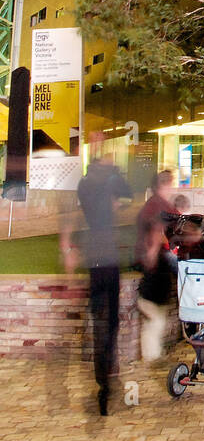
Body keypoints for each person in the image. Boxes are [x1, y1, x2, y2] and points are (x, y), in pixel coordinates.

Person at [76, 154, 133, 415]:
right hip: (105, 264)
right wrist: (113, 170)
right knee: (107, 324)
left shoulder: (87, 187)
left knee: (104, 324)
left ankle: (105, 377)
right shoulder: (95, 188)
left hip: (99, 264)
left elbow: (121, 191)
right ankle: (105, 379)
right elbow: (124, 190)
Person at [134, 169, 177, 362]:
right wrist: (152, 251)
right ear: (165, 185)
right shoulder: (159, 207)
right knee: (155, 314)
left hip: (156, 265)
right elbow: (156, 229)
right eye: (170, 185)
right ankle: (152, 356)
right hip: (156, 265)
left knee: (157, 314)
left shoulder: (154, 205)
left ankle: (153, 354)